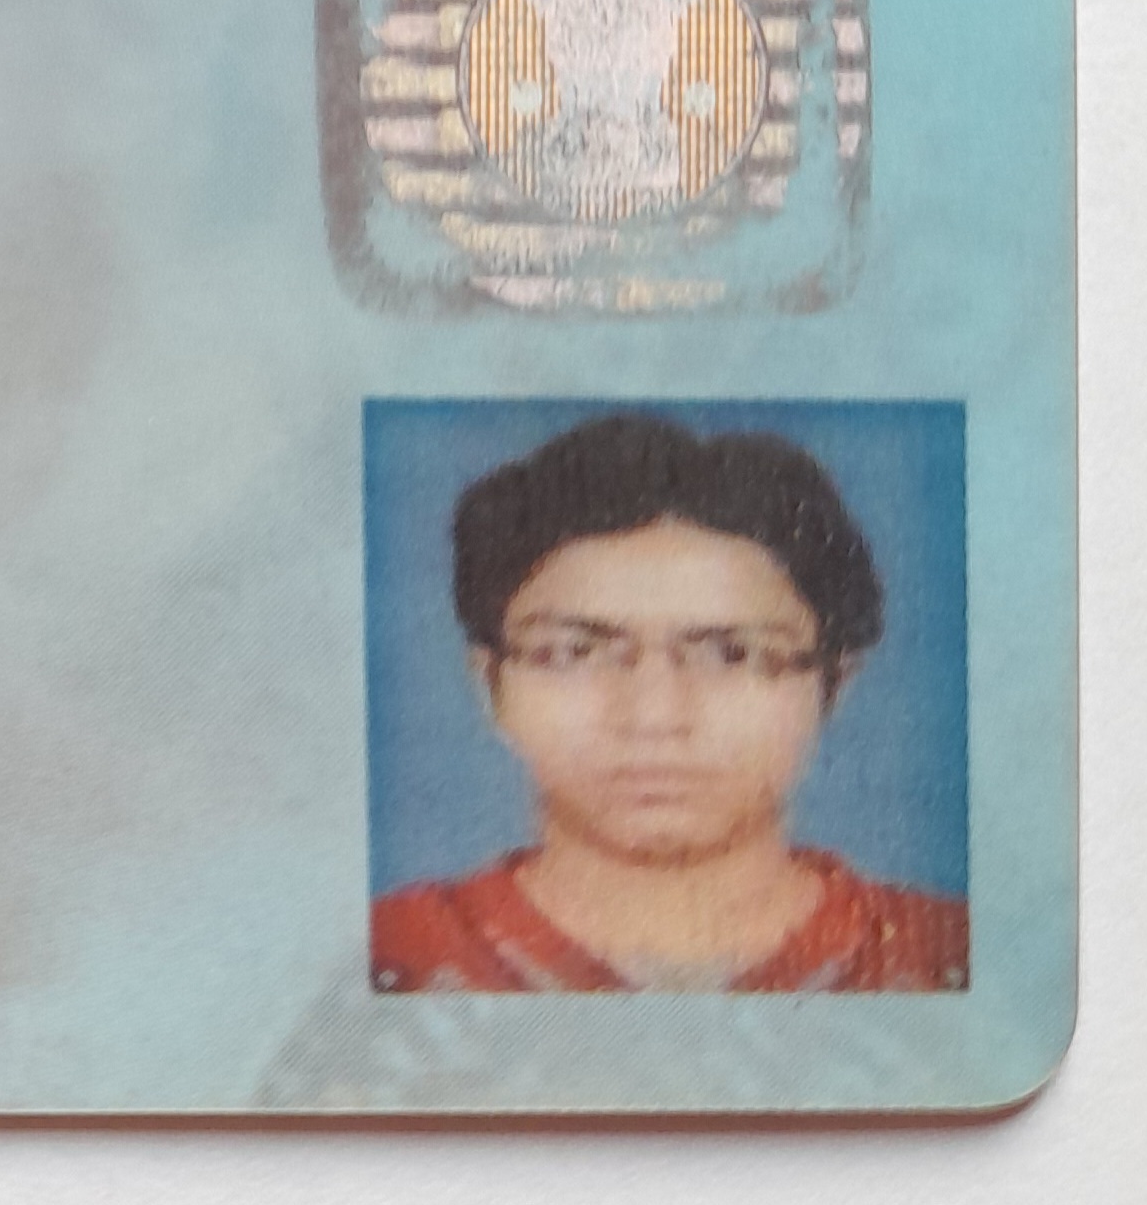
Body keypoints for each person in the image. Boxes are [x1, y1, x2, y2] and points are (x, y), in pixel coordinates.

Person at [371, 413, 966, 993]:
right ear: (490, 685)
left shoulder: (949, 956)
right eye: (575, 652)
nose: (655, 718)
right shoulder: (385, 956)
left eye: (732, 654)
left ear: (834, 685)